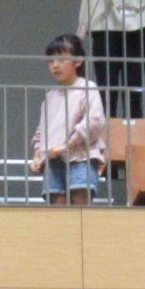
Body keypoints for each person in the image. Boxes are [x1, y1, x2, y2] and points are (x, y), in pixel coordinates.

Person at [29, 33, 107, 206]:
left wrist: (67, 146)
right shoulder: (50, 97)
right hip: (52, 161)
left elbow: (94, 121)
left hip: (81, 158)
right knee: (57, 211)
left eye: (61, 59)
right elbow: (41, 131)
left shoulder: (88, 88)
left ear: (77, 61)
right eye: (51, 61)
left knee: (81, 209)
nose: (55, 65)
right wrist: (37, 155)